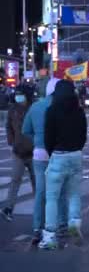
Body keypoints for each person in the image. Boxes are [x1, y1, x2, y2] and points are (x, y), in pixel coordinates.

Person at [38, 80, 88, 250]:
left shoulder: (51, 111)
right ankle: (74, 221)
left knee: (52, 198)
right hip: (76, 155)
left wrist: (53, 151)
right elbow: (83, 135)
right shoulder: (79, 111)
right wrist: (77, 149)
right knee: (74, 194)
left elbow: (48, 137)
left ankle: (50, 236)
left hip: (58, 155)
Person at [21, 78, 66, 245]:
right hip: (58, 151)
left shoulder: (36, 107)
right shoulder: (61, 107)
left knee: (41, 192)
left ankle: (37, 228)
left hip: (39, 153)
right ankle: (61, 225)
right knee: (60, 191)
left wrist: (37, 142)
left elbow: (26, 130)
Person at [1, 84, 35, 222]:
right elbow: (8, 126)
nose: (18, 97)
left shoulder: (34, 109)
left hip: (34, 152)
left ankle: (41, 211)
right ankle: (8, 208)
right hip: (18, 151)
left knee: (37, 182)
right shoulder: (12, 109)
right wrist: (11, 141)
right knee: (15, 180)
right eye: (17, 94)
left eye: (21, 94)